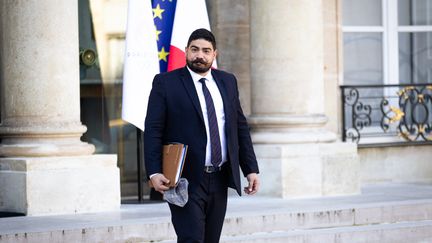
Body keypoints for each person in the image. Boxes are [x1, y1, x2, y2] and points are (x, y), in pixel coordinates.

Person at [144, 28, 260, 243]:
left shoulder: (227, 81)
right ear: (186, 51)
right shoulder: (166, 83)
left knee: (210, 239)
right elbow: (153, 130)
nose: (200, 55)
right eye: (195, 49)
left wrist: (250, 168)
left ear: (215, 54)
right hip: (184, 178)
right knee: (192, 239)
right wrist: (154, 171)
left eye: (206, 51)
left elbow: (239, 127)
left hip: (219, 176)